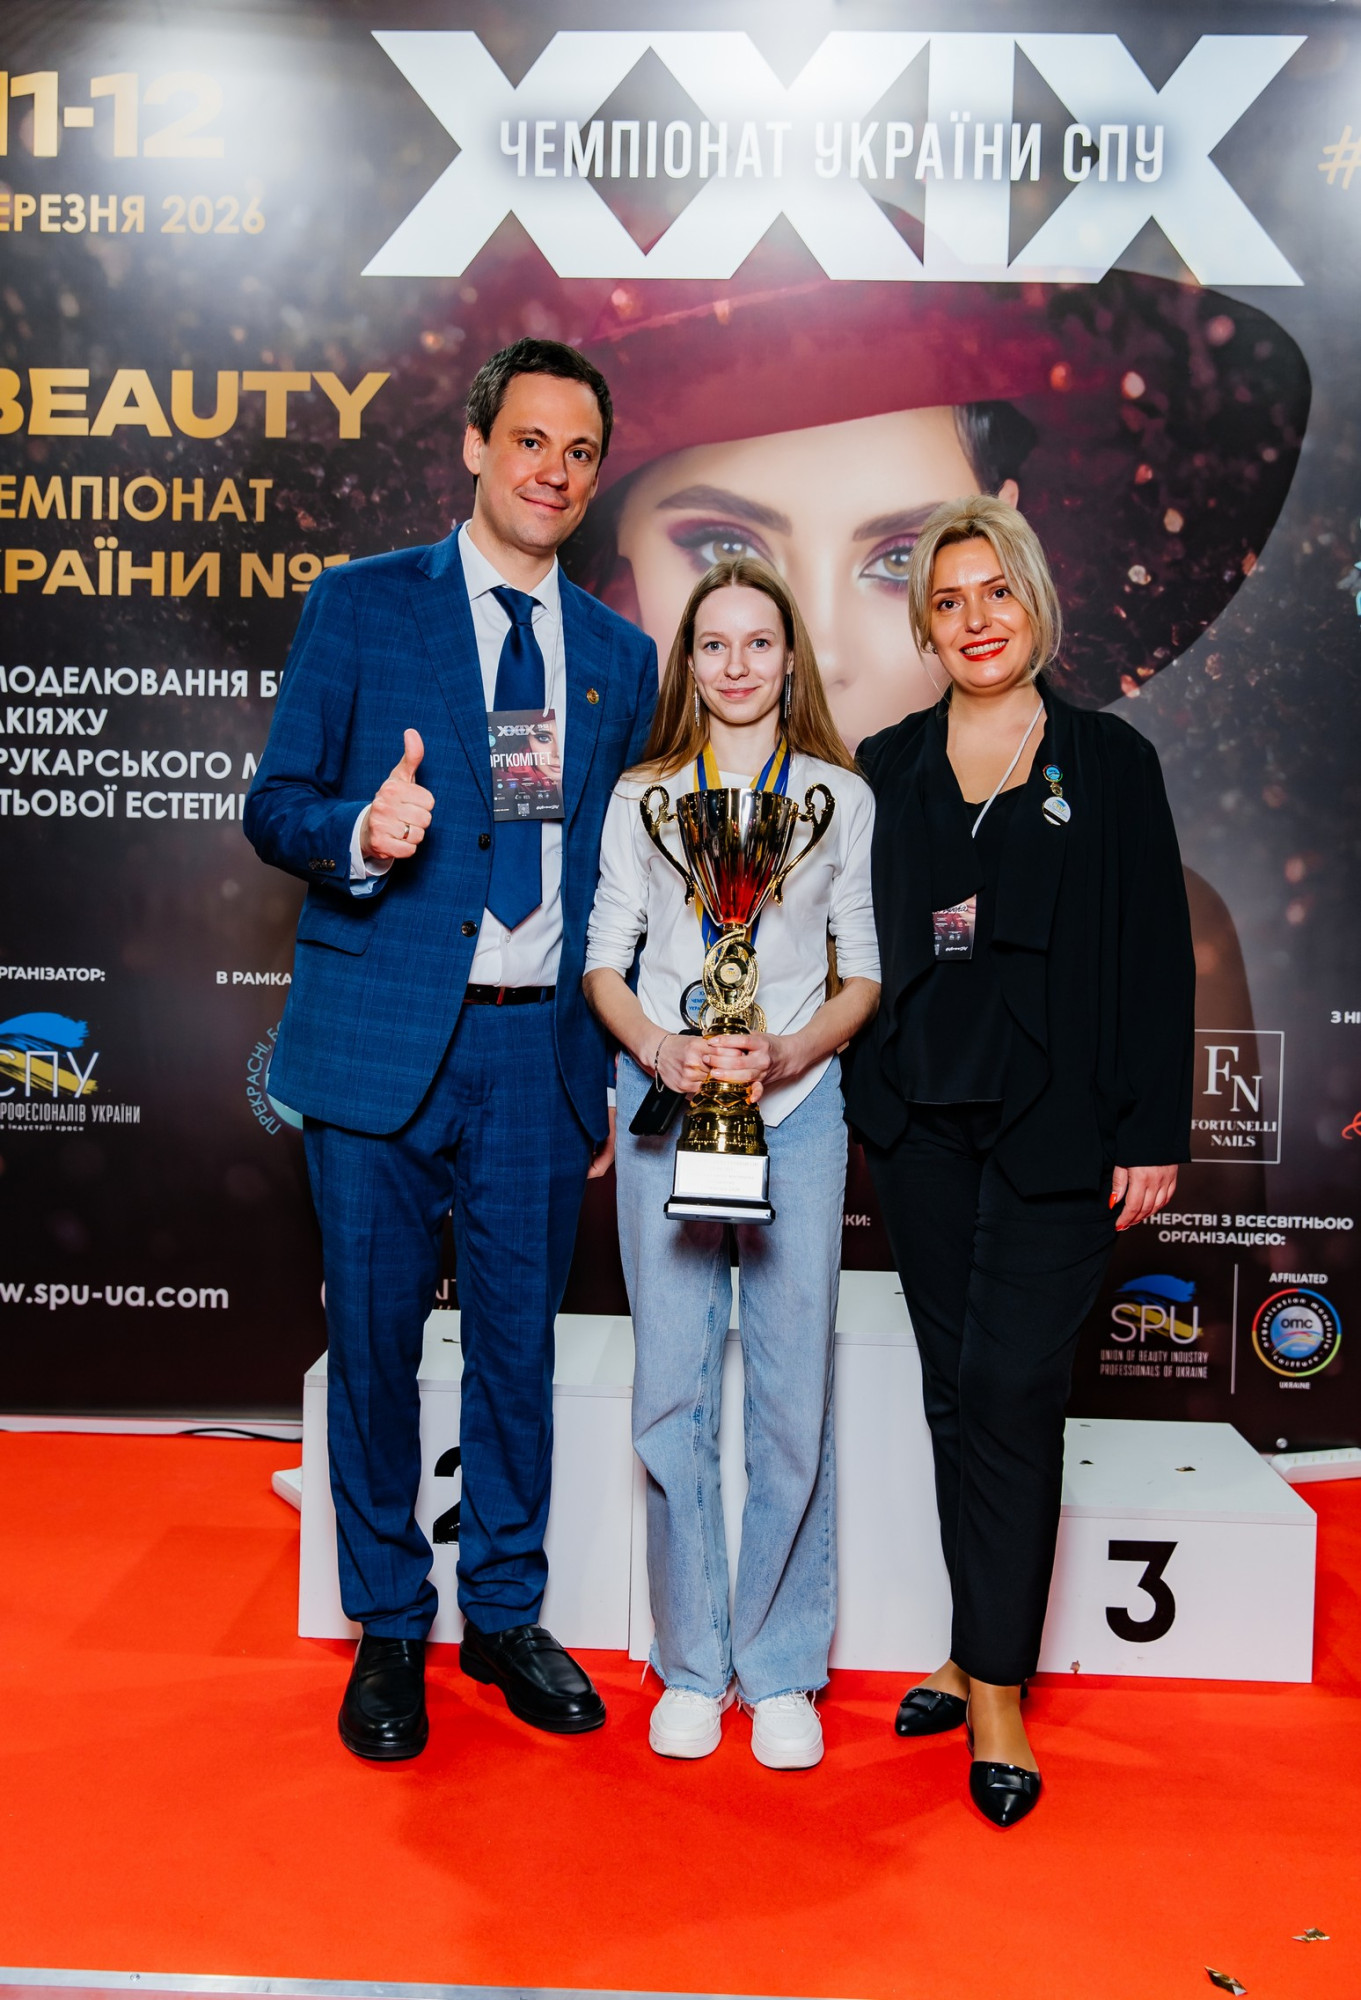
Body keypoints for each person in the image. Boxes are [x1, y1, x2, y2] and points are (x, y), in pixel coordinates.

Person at [243, 338, 658, 1760]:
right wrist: (360, 832)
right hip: (377, 1045)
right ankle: (387, 1623)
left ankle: (503, 1611)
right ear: (476, 444)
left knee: (515, 1350)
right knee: (371, 1346)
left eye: (580, 452)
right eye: (530, 440)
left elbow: (613, 880)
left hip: (538, 1058)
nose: (554, 470)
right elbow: (275, 802)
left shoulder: (617, 657)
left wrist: (606, 1066)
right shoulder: (362, 604)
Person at [843, 494, 1194, 1827]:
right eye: (947, 601)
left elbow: (1154, 953)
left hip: (1062, 1132)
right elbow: (853, 938)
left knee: (1007, 1382)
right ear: (924, 629)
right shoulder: (883, 766)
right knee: (953, 1393)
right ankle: (968, 1643)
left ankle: (996, 1689)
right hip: (920, 1125)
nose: (974, 619)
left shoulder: (1109, 761)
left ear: (1035, 602)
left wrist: (1152, 1128)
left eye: (994, 591)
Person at [583, 555, 879, 1770]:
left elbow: (862, 968)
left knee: (789, 1397)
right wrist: (660, 1046)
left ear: (789, 657)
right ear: (689, 662)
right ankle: (693, 1659)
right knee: (671, 1393)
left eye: (759, 642)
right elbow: (604, 956)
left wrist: (790, 1048)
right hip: (666, 1107)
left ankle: (781, 1662)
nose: (738, 664)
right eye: (714, 644)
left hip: (795, 1108)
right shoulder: (643, 794)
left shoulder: (836, 797)